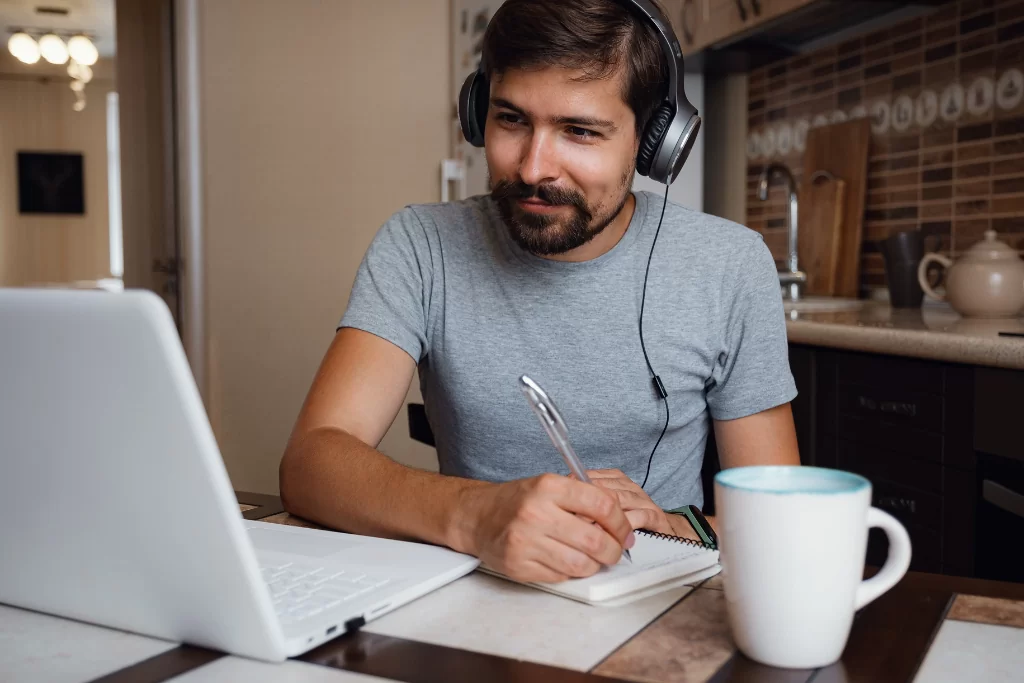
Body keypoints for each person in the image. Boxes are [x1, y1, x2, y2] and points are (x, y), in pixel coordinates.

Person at [280, 0, 799, 584]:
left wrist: (670, 525)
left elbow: (777, 520)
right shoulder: (420, 245)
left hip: (657, 610)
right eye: (512, 120)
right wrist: (476, 515)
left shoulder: (730, 265)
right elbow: (311, 463)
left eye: (579, 131)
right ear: (479, 114)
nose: (532, 168)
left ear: (651, 143)